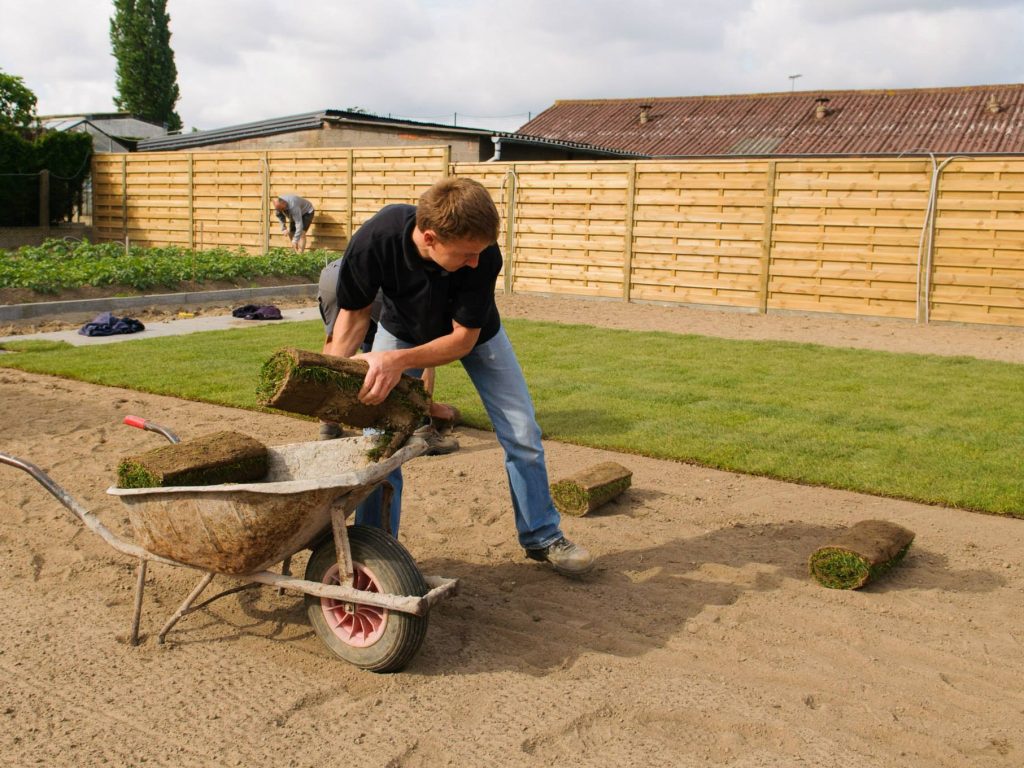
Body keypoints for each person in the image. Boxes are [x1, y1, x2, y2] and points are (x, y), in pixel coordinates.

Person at [317, 177, 594, 576]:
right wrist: (329, 386)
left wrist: (393, 363)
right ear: (430, 237)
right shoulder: (375, 239)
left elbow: (462, 341)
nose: (475, 262)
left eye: (479, 252)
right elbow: (354, 317)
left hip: (478, 336)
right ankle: (375, 551)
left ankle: (542, 537)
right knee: (381, 443)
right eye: (466, 254)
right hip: (402, 329)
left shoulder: (483, 254)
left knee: (522, 433)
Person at [317, 288, 460, 456]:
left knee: (335, 342)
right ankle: (422, 427)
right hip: (379, 288)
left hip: (332, 277)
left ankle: (328, 423)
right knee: (420, 344)